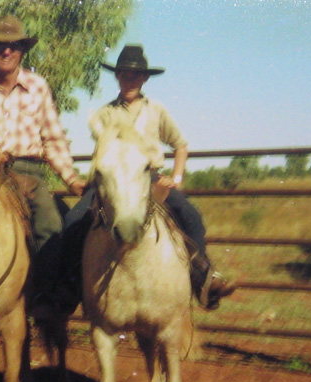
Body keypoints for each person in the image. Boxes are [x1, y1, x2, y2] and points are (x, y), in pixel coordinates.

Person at [53, 45, 236, 312]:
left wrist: (176, 177)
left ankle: (204, 279)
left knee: (189, 214)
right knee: (73, 220)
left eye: (135, 76)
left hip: (149, 177)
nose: (129, 80)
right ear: (117, 77)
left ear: (144, 79)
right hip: (114, 179)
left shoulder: (157, 111)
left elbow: (180, 145)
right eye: (124, 75)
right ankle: (69, 287)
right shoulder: (105, 114)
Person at [0, 14, 86, 303]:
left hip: (29, 172)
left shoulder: (38, 87)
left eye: (14, 46)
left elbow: (53, 138)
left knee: (50, 225)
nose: (6, 51)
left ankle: (43, 295)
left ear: (22, 51)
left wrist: (71, 179)